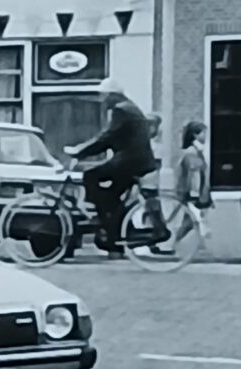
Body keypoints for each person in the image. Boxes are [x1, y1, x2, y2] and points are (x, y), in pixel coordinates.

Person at [68, 81, 163, 255]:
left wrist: (80, 152)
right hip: (138, 161)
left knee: (90, 176)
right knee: (111, 196)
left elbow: (107, 137)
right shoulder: (131, 108)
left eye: (103, 95)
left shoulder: (121, 110)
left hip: (129, 161)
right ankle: (115, 230)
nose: (102, 99)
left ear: (113, 95)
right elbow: (110, 139)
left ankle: (106, 223)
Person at [166, 118, 214, 262]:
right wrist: (196, 195)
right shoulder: (192, 153)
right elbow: (194, 176)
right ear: (195, 135)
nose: (205, 136)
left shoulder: (195, 152)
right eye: (203, 133)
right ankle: (201, 249)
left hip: (195, 193)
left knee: (188, 223)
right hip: (194, 194)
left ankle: (172, 245)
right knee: (197, 221)